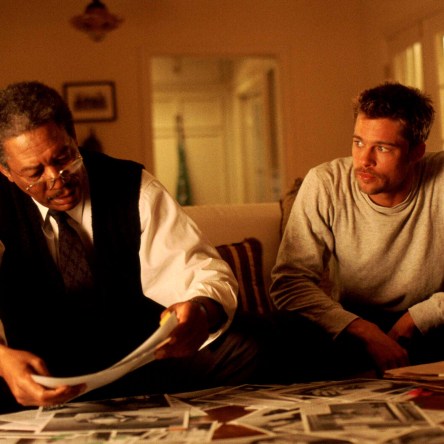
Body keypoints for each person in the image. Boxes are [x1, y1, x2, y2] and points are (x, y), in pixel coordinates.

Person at [0, 81, 259, 411]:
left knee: (248, 349)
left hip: (141, 359)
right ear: (6, 172)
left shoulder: (132, 185)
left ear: (73, 137)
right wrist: (2, 360)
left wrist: (201, 310)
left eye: (63, 157)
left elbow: (200, 270)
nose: (57, 179)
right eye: (35, 172)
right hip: (35, 369)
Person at [270, 81, 444, 379]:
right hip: (350, 328)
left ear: (416, 152)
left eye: (382, 148)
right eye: (359, 143)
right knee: (285, 333)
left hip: (433, 326)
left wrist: (419, 317)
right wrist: (363, 330)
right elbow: (289, 282)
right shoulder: (325, 183)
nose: (364, 161)